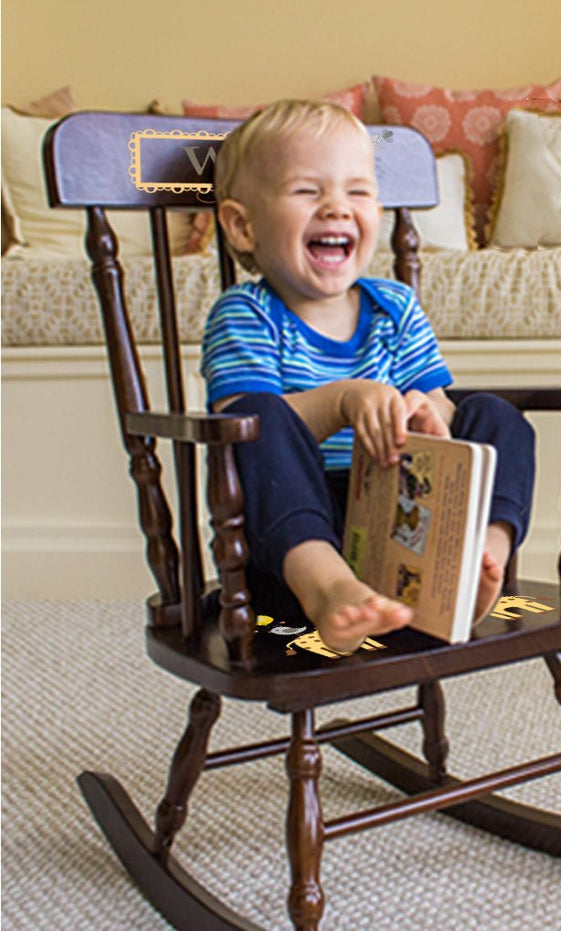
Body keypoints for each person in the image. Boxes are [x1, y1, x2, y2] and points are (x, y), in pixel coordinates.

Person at [201, 99, 535, 654]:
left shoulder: (395, 307)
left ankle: (478, 564)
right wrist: (343, 401)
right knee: (252, 420)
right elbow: (246, 441)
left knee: (496, 416)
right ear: (242, 225)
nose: (336, 207)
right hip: (292, 546)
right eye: (308, 191)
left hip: (404, 536)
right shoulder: (246, 315)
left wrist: (430, 417)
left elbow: (437, 408)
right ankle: (331, 590)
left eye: (358, 191)